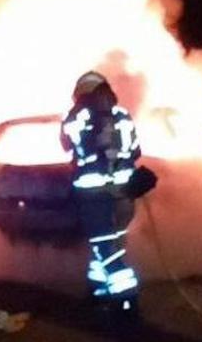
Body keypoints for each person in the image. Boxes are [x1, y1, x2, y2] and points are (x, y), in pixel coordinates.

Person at [60, 71, 154, 319]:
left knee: (107, 250)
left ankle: (126, 300)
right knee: (111, 246)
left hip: (95, 196)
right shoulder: (122, 115)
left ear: (81, 93)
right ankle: (98, 290)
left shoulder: (77, 116)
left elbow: (67, 144)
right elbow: (135, 150)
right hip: (125, 196)